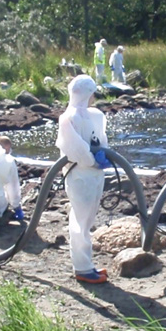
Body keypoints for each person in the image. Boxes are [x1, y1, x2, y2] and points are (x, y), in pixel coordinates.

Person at [55, 74, 110, 284]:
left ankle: (88, 264)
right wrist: (93, 160)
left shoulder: (95, 115)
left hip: (95, 175)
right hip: (79, 175)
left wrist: (103, 155)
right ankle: (83, 268)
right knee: (80, 220)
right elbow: (74, 149)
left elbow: (101, 139)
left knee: (88, 219)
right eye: (92, 92)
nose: (94, 96)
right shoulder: (67, 119)